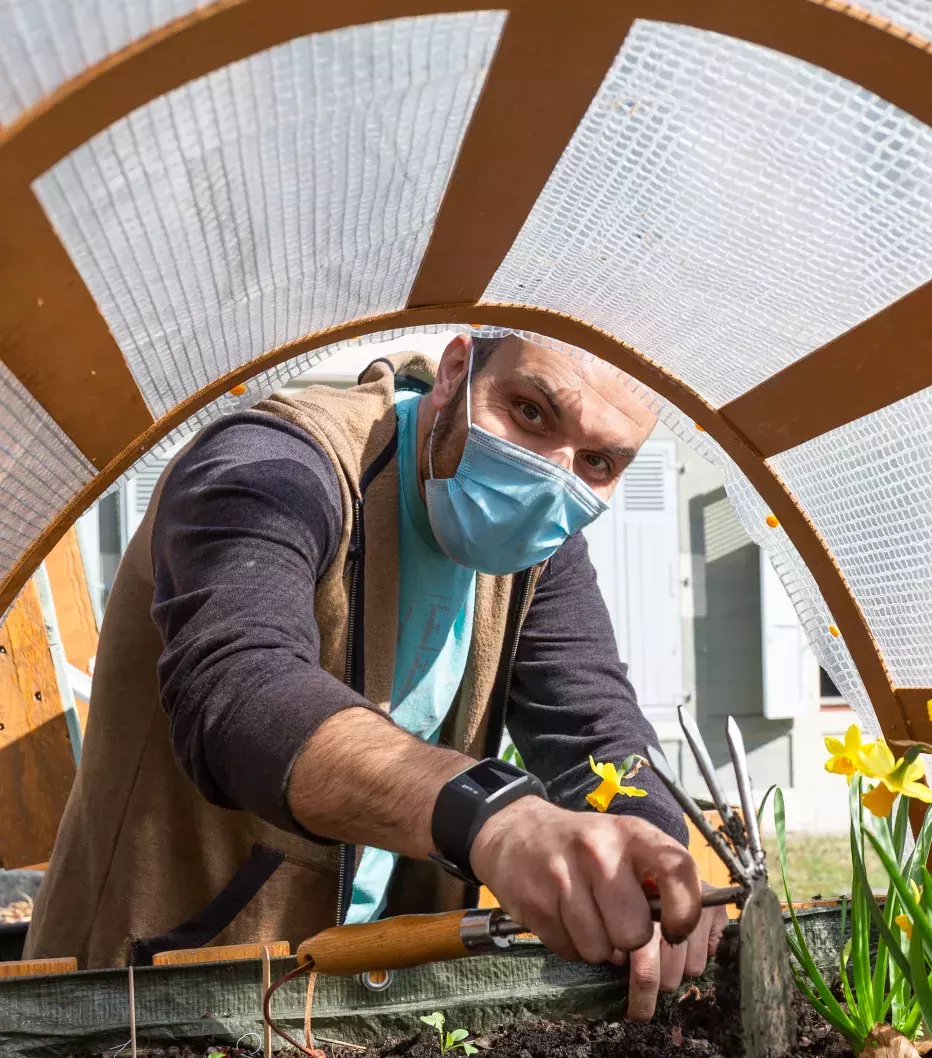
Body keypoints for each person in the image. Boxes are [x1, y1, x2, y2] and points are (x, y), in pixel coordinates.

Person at [26, 330, 726, 1018]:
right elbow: (241, 691)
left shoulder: (541, 546)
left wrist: (651, 849)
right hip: (157, 995)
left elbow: (593, 724)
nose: (553, 476)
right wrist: (495, 818)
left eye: (599, 462)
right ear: (455, 371)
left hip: (367, 994)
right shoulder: (274, 463)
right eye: (530, 412)